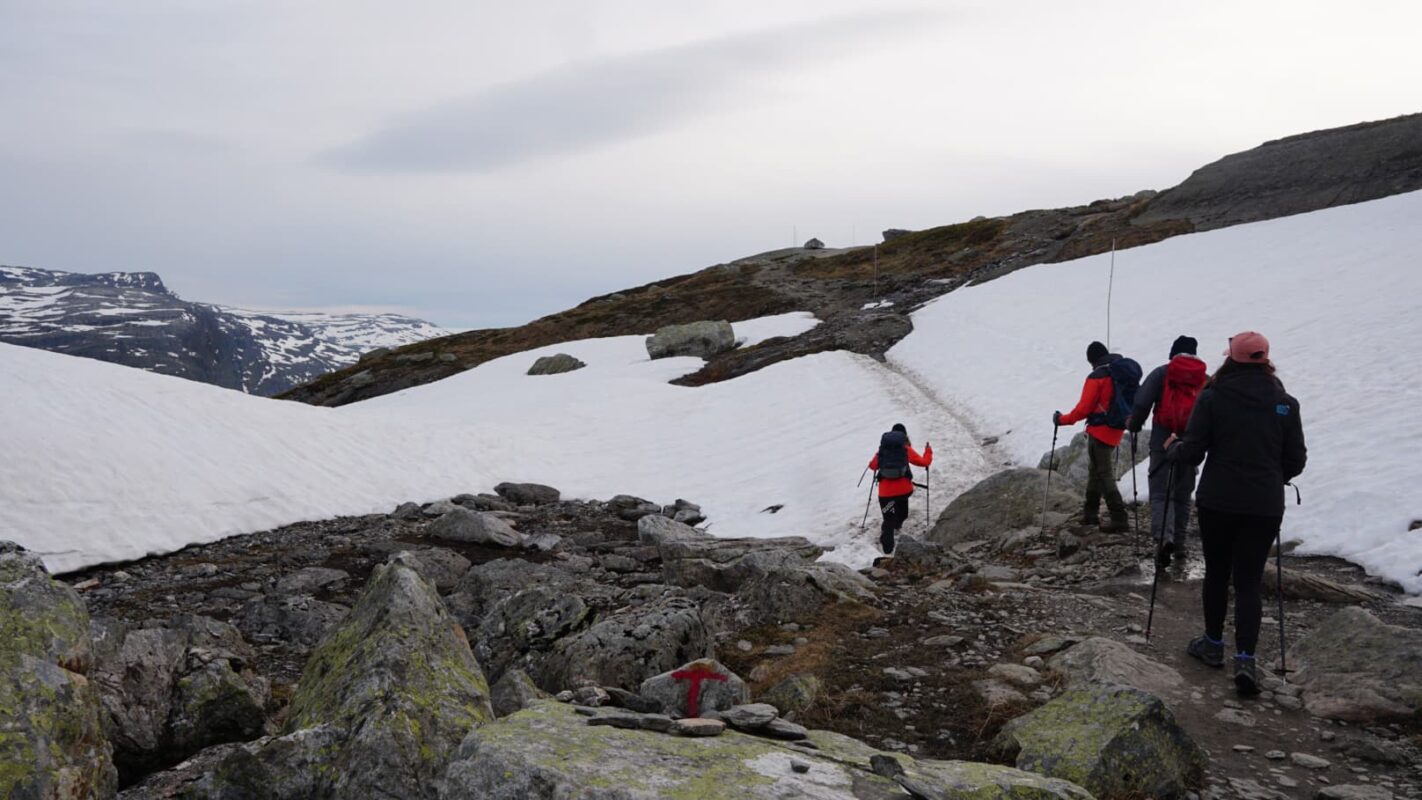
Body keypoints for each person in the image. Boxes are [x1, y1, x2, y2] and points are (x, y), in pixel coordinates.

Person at [1166, 331, 1306, 696]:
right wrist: (1273, 476)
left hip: (1218, 501)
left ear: (1232, 358)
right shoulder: (1285, 403)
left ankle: (1213, 644)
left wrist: (1174, 449)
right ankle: (1246, 658)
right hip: (1263, 505)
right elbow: (1296, 460)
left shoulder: (1213, 397)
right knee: (1248, 581)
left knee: (1217, 573)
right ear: (1265, 359)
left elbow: (1194, 452)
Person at [1128, 335, 1208, 567]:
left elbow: (1142, 402)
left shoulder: (1162, 373)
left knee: (1162, 493)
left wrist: (1134, 424)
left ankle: (1164, 539)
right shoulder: (1204, 378)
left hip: (1163, 438)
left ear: (1173, 353)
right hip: (1192, 440)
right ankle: (1180, 545)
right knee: (1183, 495)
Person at [1053, 341, 1129, 532]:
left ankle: (1119, 517)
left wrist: (1062, 420)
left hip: (1100, 430)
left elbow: (1084, 409)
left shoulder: (1097, 377)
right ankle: (1090, 514)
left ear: (1092, 360)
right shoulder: (1119, 372)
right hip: (1116, 428)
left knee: (1103, 473)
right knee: (1096, 471)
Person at [867, 423, 932, 556]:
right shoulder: (905, 449)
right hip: (903, 492)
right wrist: (928, 451)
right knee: (903, 514)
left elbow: (872, 466)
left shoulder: (883, 451)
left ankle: (887, 550)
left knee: (888, 518)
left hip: (886, 495)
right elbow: (924, 462)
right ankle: (897, 526)